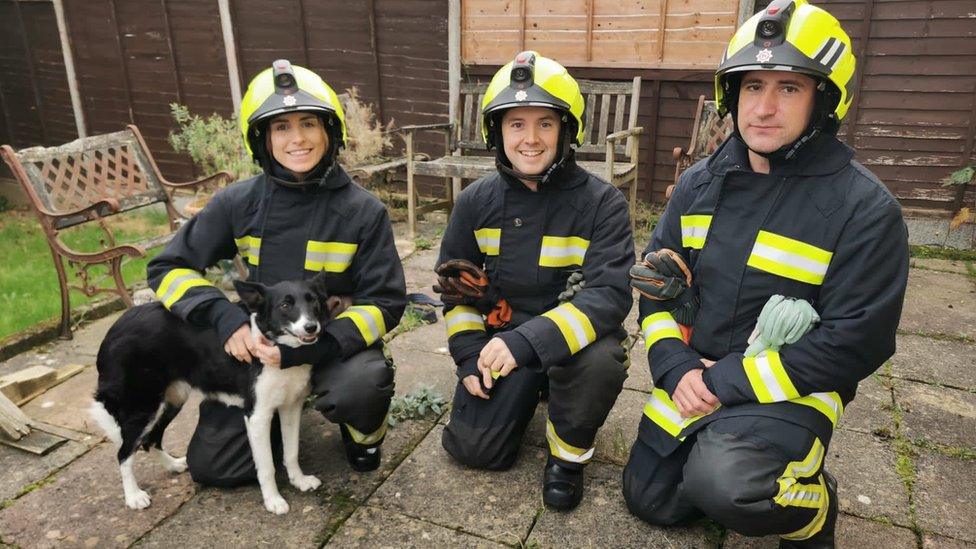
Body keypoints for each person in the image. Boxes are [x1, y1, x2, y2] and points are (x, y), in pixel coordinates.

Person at [621, 1, 910, 546]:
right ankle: (725, 455)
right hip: (695, 374)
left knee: (729, 487)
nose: (764, 108)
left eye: (790, 88)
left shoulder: (864, 209)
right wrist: (676, 364)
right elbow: (655, 285)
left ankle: (812, 513)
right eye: (752, 87)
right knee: (652, 500)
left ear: (824, 99)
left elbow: (857, 342)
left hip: (792, 389)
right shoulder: (697, 185)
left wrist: (724, 381)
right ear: (732, 95)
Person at [148, 60, 405, 486]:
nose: (297, 138)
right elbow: (167, 267)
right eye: (281, 127)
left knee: (361, 383)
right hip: (260, 353)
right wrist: (223, 317)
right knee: (216, 469)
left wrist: (313, 350)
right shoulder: (237, 202)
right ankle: (281, 407)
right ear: (263, 140)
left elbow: (387, 302)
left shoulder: (363, 211)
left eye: (308, 123)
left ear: (330, 131)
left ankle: (363, 432)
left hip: (331, 343)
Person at [434, 51, 633, 511]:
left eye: (545, 123)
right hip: (500, 340)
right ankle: (531, 390)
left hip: (569, 342)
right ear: (497, 132)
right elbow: (456, 291)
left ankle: (567, 456)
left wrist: (527, 343)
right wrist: (467, 358)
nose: (530, 139)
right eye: (515, 124)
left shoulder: (603, 204)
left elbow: (607, 297)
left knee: (602, 359)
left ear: (566, 130)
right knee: (475, 452)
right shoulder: (474, 203)